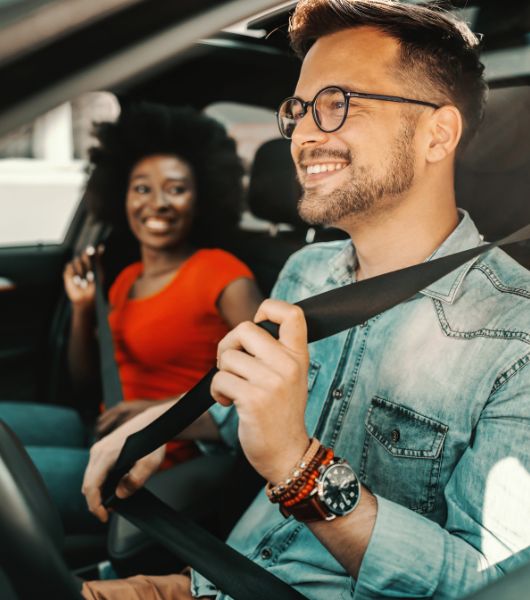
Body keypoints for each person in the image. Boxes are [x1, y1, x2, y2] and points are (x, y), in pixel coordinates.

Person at [80, 1, 530, 598]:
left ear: (436, 133)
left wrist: (300, 467)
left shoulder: (515, 335)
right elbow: (244, 407)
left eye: (339, 103)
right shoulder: (306, 274)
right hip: (208, 581)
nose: (305, 134)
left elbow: (487, 585)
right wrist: (151, 430)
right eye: (298, 109)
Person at [0, 103, 262, 533]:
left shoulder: (222, 275)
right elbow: (85, 382)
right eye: (142, 189)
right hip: (101, 432)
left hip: (154, 458)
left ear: (202, 198)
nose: (157, 204)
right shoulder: (125, 279)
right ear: (121, 196)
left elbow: (266, 386)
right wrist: (84, 309)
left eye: (176, 189)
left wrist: (156, 411)